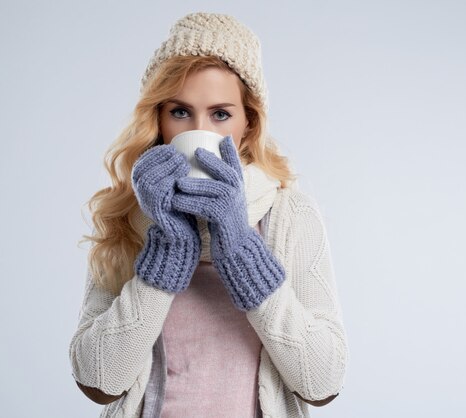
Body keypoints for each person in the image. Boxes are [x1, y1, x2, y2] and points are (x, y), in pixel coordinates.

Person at [68, 12, 349, 418]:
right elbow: (97, 382)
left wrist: (240, 246)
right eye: (180, 112)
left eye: (221, 114)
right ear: (159, 119)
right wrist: (165, 252)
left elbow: (323, 383)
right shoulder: (130, 215)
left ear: (249, 123)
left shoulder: (290, 214)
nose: (200, 132)